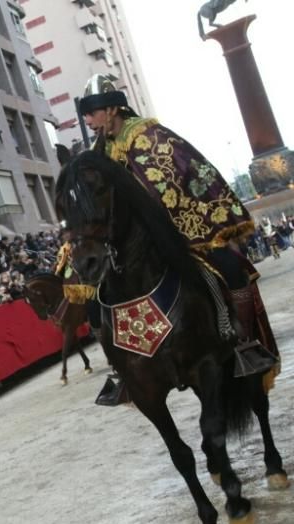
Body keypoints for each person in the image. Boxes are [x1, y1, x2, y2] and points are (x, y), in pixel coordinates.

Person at [79, 73, 279, 396]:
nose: (87, 119)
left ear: (112, 109)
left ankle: (245, 344)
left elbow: (172, 180)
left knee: (232, 268)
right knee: (96, 298)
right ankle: (122, 370)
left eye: (92, 112)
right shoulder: (100, 150)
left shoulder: (148, 135)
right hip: (129, 241)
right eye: (86, 114)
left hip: (178, 225)